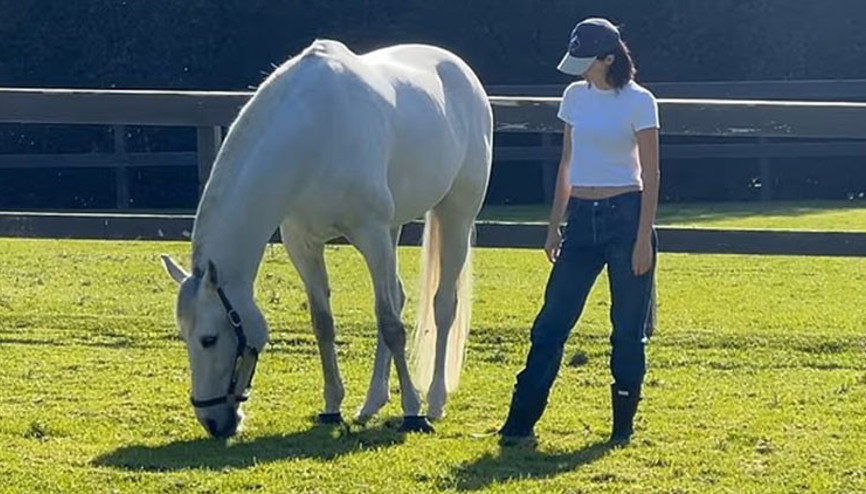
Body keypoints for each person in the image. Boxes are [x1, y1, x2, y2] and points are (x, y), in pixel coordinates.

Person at [499, 17, 660, 446]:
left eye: (589, 61)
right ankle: (519, 423)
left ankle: (621, 428)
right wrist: (555, 225)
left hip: (625, 217)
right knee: (552, 321)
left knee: (627, 328)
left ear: (608, 58)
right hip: (581, 220)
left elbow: (652, 172)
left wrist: (644, 237)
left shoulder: (640, 102)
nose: (582, 69)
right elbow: (567, 163)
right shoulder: (574, 97)